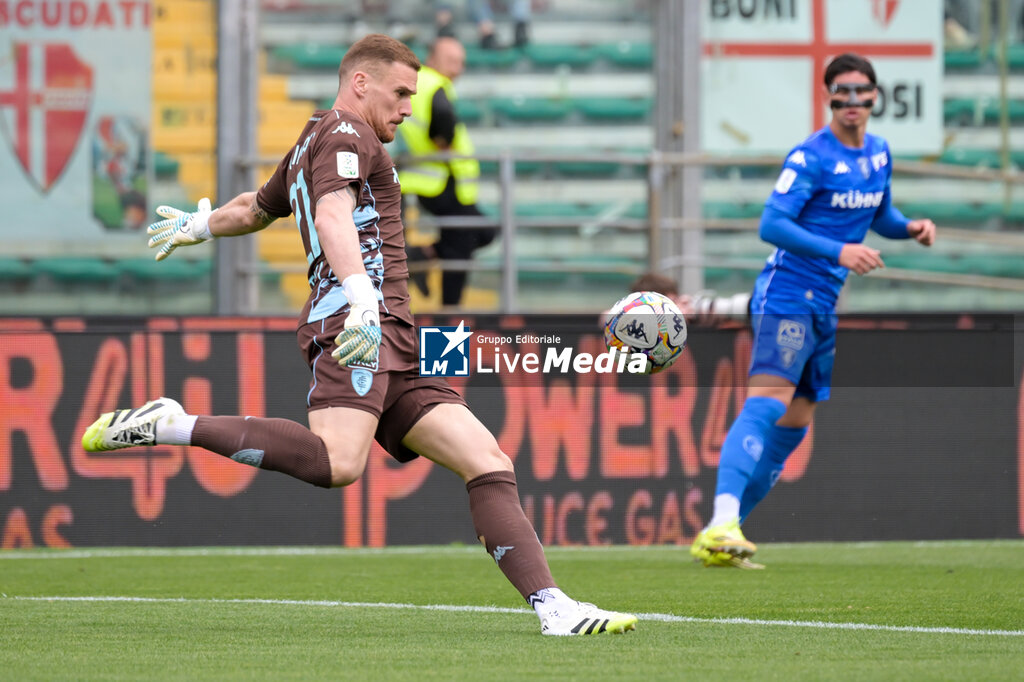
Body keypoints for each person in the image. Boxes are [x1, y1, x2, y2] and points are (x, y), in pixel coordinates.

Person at [81, 34, 636, 636]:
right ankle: (171, 424)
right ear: (360, 82)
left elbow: (257, 208)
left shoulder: (311, 139)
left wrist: (199, 225)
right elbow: (332, 215)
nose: (408, 108)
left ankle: (554, 609)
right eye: (400, 93)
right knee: (337, 464)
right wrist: (364, 302)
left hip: (398, 334)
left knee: (487, 459)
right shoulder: (348, 136)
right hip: (358, 327)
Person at [689, 53, 937, 569]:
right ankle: (721, 520)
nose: (852, 101)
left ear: (875, 97)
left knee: (797, 417)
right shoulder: (810, 157)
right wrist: (838, 251)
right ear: (828, 97)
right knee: (768, 400)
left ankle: (725, 534)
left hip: (824, 301)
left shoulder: (879, 154)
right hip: (788, 293)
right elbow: (772, 225)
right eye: (841, 92)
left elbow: (880, 214)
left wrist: (909, 226)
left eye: (861, 92)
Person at [397, 36, 494, 306]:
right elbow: (443, 128)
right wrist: (446, 145)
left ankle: (421, 256)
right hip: (441, 181)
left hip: (434, 181)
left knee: (471, 237)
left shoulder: (417, 83)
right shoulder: (435, 84)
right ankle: (449, 320)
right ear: (433, 59)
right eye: (452, 62)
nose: (458, 69)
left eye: (461, 63)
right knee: (466, 243)